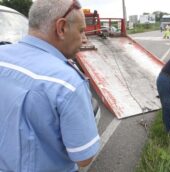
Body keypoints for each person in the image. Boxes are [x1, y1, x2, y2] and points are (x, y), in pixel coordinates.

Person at [0, 0, 100, 171]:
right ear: (61, 28)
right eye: (81, 31)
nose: (84, 39)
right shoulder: (68, 83)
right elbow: (84, 157)